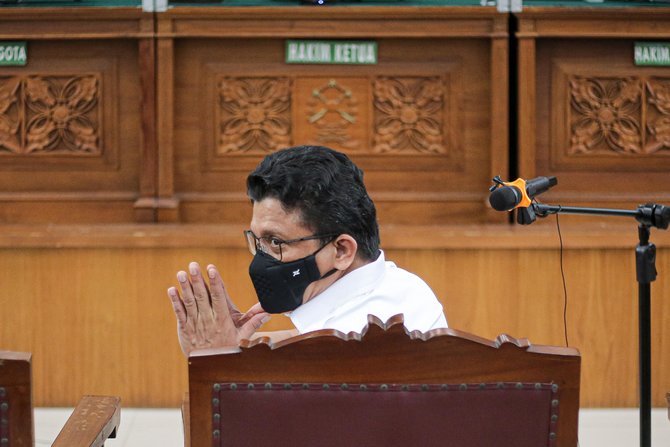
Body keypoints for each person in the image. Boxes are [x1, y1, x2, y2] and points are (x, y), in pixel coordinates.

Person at [167, 145, 447, 356]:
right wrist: (238, 346)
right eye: (257, 241)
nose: (261, 258)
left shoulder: (356, 344)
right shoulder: (406, 287)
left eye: (275, 242)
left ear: (341, 250)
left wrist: (217, 359)